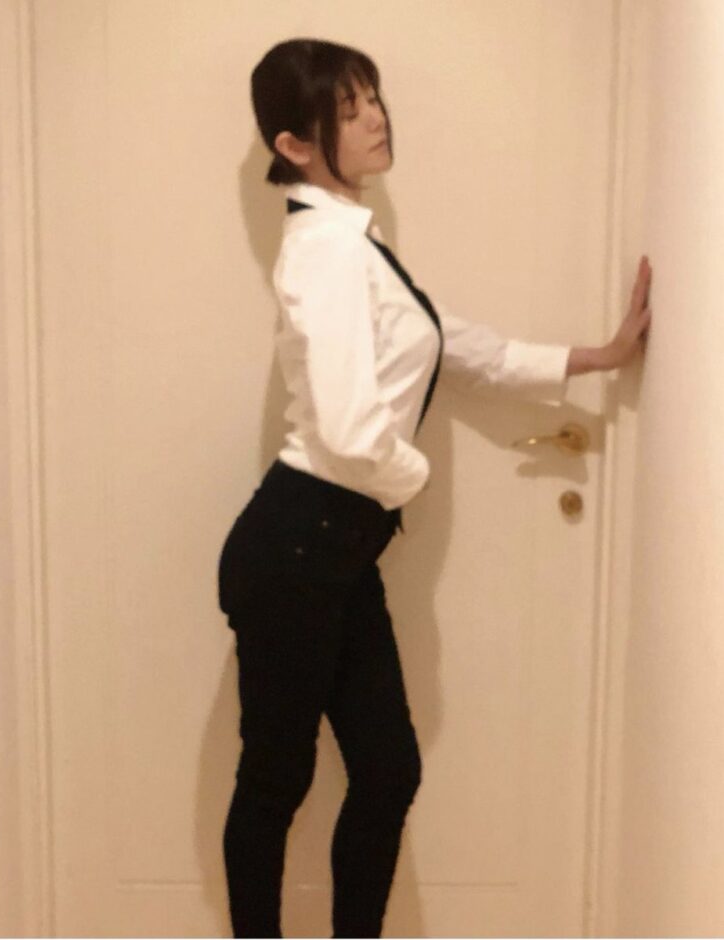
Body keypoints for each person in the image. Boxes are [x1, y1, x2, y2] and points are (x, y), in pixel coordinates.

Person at [217, 37, 652, 939]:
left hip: (329, 548)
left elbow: (454, 343)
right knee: (277, 779)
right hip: (298, 547)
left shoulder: (356, 243)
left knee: (387, 771)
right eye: (347, 110)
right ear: (295, 144)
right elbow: (348, 432)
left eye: (373, 98)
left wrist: (597, 355)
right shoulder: (326, 252)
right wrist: (408, 480)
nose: (376, 118)